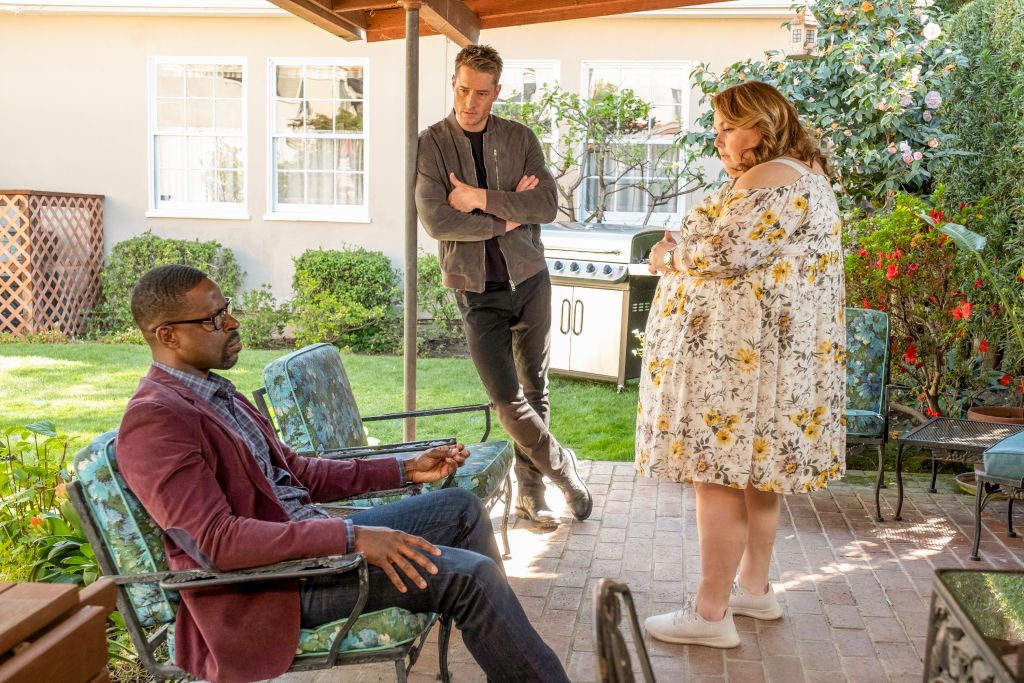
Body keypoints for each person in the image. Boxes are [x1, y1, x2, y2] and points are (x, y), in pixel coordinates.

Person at [117, 264, 570, 683]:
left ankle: (511, 658)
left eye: (227, 310)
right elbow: (218, 541)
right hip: (273, 587)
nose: (232, 323)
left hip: (311, 545)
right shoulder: (156, 420)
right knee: (469, 577)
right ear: (168, 336)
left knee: (462, 509)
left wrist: (405, 469)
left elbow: (295, 472)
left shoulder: (217, 393)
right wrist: (352, 540)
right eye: (213, 319)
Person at [635, 81, 846, 648]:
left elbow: (722, 254)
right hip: (765, 359)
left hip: (739, 363)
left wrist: (668, 255)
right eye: (719, 127)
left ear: (765, 126)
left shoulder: (770, 177)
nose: (721, 138)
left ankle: (710, 614)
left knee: (718, 475)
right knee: (755, 475)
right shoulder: (804, 173)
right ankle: (753, 588)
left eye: (731, 127)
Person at [415, 43, 591, 529]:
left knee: (536, 389)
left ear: (498, 92)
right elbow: (436, 220)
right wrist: (504, 217)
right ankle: (563, 469)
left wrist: (476, 198)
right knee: (506, 397)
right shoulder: (431, 143)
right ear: (453, 83)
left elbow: (545, 207)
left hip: (530, 278)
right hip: (476, 289)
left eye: (482, 93)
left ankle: (531, 496)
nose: (470, 102)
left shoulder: (520, 138)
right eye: (463, 89)